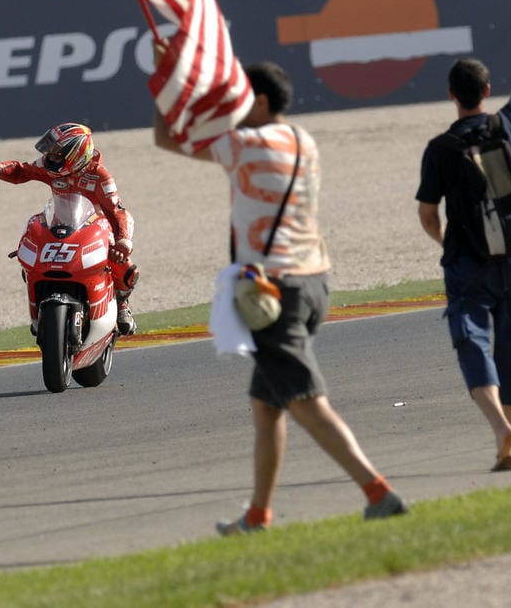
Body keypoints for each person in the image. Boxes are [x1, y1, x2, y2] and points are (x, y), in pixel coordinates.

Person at [155, 62, 408, 534]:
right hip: (315, 282)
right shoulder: (302, 140)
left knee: (306, 401)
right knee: (267, 405)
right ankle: (258, 516)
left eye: (242, 97)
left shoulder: (244, 144)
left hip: (274, 293)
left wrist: (167, 81)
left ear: (261, 101)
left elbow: (167, 137)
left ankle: (378, 492)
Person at [417, 1, 511, 471]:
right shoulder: (508, 124)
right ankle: (508, 446)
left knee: (471, 341)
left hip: (468, 264)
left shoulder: (440, 149)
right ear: (486, 91)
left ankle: (499, 426)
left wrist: (448, 244)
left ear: (451, 95)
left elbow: (427, 215)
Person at [0, 123, 141, 335]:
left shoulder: (100, 176)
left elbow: (117, 211)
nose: (50, 157)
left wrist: (123, 241)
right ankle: (42, 307)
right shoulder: (50, 167)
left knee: (126, 269)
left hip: (97, 230)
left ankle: (121, 304)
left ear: (75, 154)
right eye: (50, 151)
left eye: (56, 153)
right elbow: (21, 171)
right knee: (32, 263)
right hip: (61, 226)